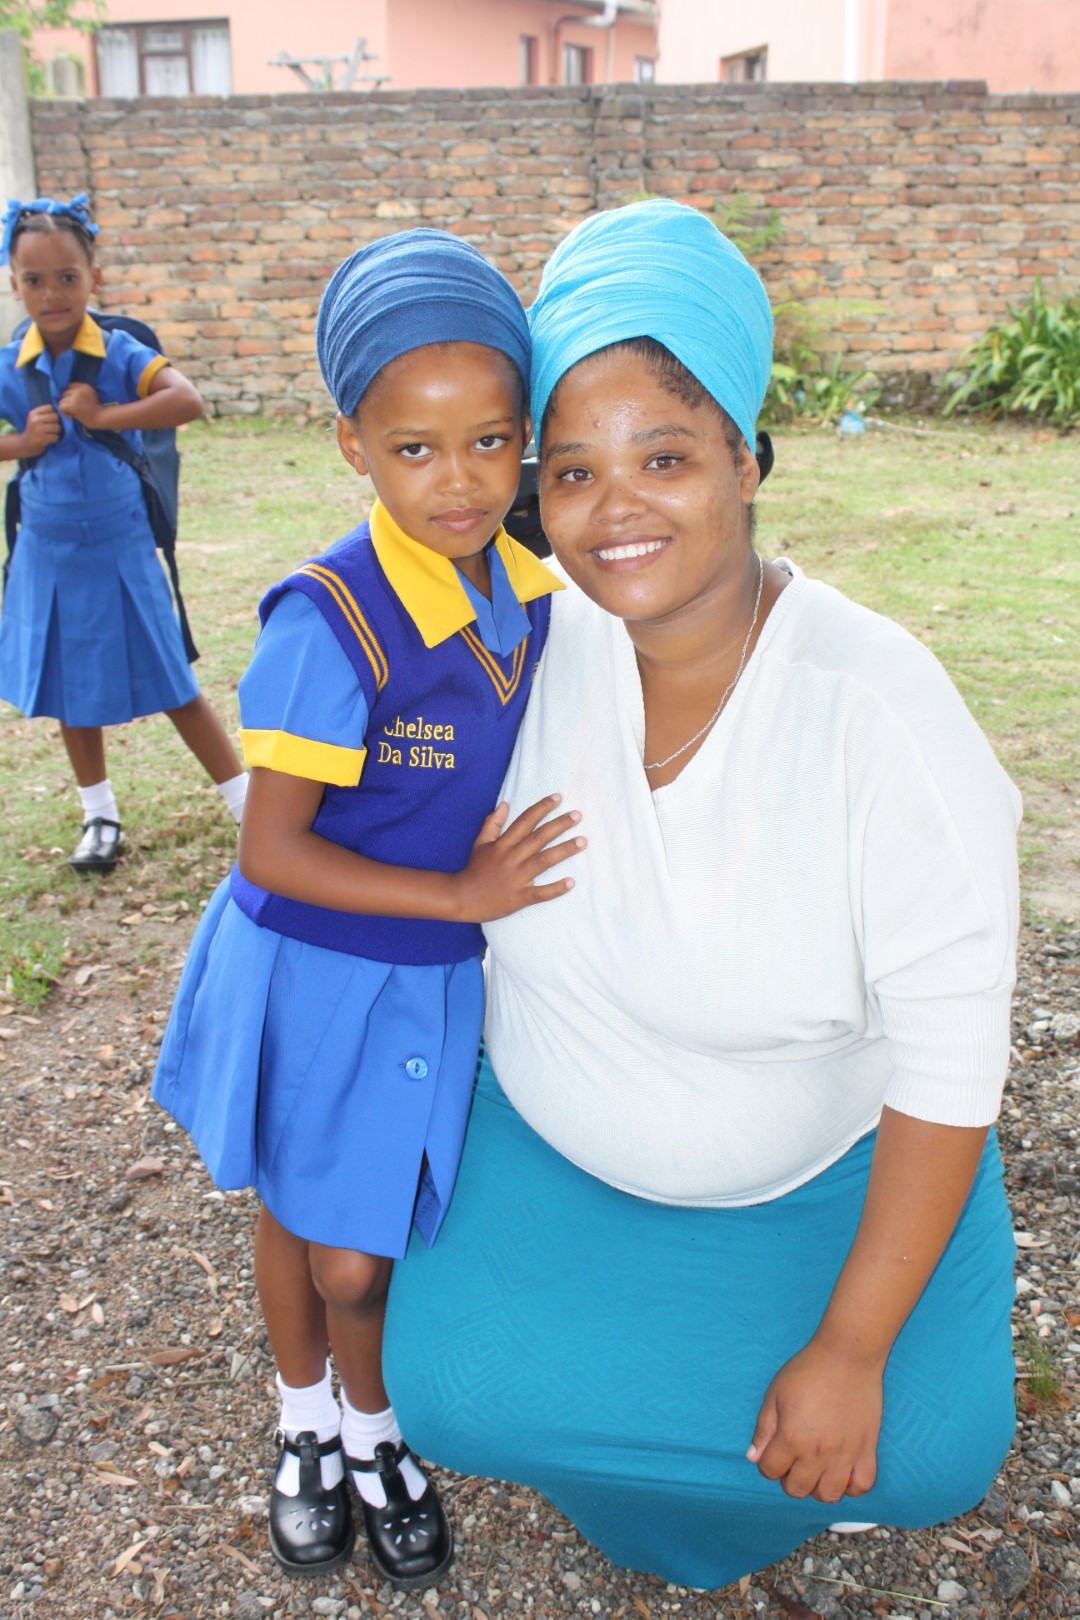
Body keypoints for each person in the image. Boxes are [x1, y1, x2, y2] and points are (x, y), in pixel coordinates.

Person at [383, 199, 1021, 1591]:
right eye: (571, 471)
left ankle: (763, 1454)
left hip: (816, 1173)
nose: (617, 513)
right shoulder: (510, 663)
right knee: (447, 1395)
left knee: (925, 1450)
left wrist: (851, 1349)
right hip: (554, 1145)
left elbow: (953, 1056)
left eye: (665, 456)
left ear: (747, 456)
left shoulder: (878, 712)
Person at [153, 230, 582, 1588]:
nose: (458, 483)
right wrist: (462, 888)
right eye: (415, 448)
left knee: (364, 1216)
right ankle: (315, 1424)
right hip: (316, 965)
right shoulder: (327, 620)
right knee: (319, 1224)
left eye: (490, 443)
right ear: (354, 445)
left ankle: (369, 1421)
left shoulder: (529, 594)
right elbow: (272, 852)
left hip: (428, 970)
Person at [0, 193, 247, 872]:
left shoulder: (117, 351)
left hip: (119, 545)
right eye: (34, 280)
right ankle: (99, 816)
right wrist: (20, 443)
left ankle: (247, 804)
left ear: (94, 278)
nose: (52, 294)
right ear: (13, 282)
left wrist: (108, 415)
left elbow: (187, 399)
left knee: (173, 679)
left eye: (68, 277)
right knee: (69, 688)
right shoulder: (8, 365)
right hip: (47, 551)